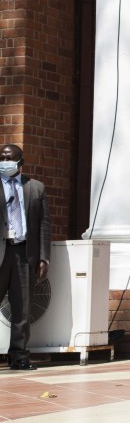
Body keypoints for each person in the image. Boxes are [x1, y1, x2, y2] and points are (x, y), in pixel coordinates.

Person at [0, 144, 51, 371]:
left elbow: (44, 225)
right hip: (1, 251)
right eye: (1, 158)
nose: (4, 161)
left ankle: (18, 356)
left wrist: (44, 258)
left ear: (21, 162)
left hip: (24, 253)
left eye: (9, 158)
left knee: (22, 309)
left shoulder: (35, 188)